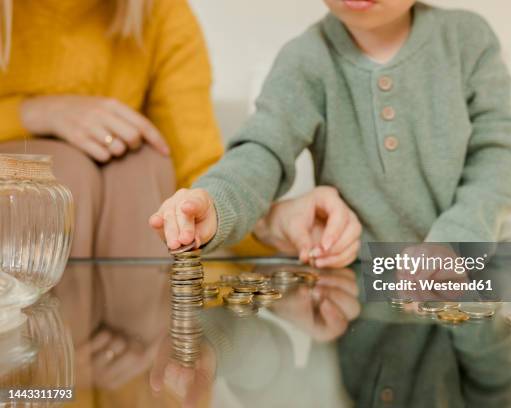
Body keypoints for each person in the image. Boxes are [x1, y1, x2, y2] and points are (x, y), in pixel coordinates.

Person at [150, 0, 511, 255]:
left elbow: (497, 158)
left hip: (480, 271)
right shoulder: (305, 58)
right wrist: (217, 203)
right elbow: (262, 150)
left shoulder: (468, 40)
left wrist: (456, 244)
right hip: (362, 292)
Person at [0, 0, 361, 263]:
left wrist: (268, 222)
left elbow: (197, 176)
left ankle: (130, 344)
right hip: (31, 242)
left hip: (114, 231)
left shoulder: (160, 15)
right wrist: (34, 112)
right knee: (67, 170)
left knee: (140, 164)